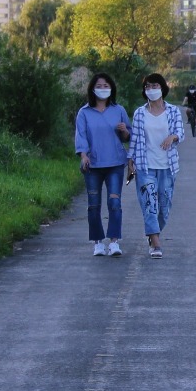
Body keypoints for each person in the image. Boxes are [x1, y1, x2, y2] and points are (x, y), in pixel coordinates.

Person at [126, 73, 185, 258]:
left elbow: (180, 133)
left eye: (155, 86)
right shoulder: (139, 113)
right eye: (148, 87)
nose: (151, 90)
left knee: (164, 205)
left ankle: (154, 234)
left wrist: (172, 137)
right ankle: (156, 243)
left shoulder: (173, 111)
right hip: (145, 166)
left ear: (162, 88)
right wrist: (130, 161)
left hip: (167, 166)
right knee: (149, 203)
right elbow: (134, 140)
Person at [74, 73, 131, 257]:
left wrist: (124, 131)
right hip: (93, 165)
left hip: (115, 163)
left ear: (112, 88)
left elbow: (129, 136)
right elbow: (80, 136)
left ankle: (114, 241)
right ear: (92, 88)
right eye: (99, 85)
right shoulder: (84, 112)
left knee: (114, 202)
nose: (103, 88)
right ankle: (98, 242)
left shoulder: (119, 110)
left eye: (107, 85)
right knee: (94, 204)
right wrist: (83, 155)